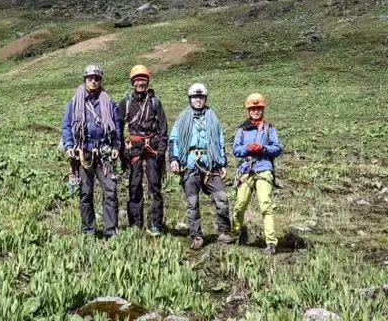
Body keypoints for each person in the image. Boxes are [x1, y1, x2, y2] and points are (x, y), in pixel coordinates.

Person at [61, 64, 123, 238]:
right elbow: (67, 126)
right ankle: (89, 231)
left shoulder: (109, 102)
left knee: (110, 191)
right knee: (86, 193)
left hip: (104, 152)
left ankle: (111, 231)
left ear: (101, 80)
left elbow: (117, 126)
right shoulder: (74, 102)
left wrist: (117, 146)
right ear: (85, 80)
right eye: (90, 78)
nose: (93, 81)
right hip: (83, 152)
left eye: (97, 78)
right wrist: (69, 146)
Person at [169, 82, 232, 250]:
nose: (198, 100)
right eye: (195, 97)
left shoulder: (213, 117)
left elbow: (220, 140)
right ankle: (196, 235)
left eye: (201, 97)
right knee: (193, 202)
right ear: (190, 99)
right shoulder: (182, 118)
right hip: (190, 164)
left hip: (211, 164)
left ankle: (224, 232)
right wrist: (174, 159)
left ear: (205, 98)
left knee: (222, 199)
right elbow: (174, 140)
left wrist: (222, 163)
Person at [119, 64, 169, 237]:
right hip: (134, 151)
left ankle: (155, 224)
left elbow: (163, 129)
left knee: (155, 188)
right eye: (137, 80)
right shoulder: (126, 103)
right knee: (134, 187)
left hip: (153, 150)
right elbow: (118, 128)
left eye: (143, 80)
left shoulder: (155, 103)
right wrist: (122, 151)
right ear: (133, 82)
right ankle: (135, 224)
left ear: (147, 82)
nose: (140, 83)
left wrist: (161, 151)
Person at [231, 93, 284, 256]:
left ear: (263, 109)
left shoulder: (270, 129)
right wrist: (247, 149)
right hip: (246, 170)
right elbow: (235, 150)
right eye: (253, 108)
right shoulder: (242, 130)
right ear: (248, 110)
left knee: (265, 205)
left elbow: (278, 148)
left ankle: (270, 243)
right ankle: (237, 234)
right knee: (239, 205)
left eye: (258, 108)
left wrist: (264, 149)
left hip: (264, 168)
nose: (255, 111)